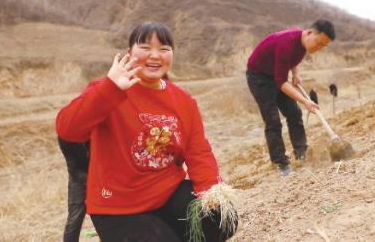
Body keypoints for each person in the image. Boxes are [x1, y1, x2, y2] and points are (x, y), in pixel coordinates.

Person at [56, 21, 238, 241]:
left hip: (167, 192)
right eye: (145, 48)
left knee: (221, 218)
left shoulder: (183, 101)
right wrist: (110, 88)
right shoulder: (106, 90)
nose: (155, 56)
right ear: (129, 53)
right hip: (118, 207)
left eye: (164, 49)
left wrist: (210, 191)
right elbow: (68, 129)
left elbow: (198, 151)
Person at [245, 19, 336, 176]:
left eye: (323, 46)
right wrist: (305, 101)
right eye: (318, 42)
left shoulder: (302, 44)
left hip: (275, 75)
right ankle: (281, 164)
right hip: (259, 77)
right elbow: (281, 82)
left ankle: (302, 154)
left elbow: (290, 60)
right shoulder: (286, 42)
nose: (318, 48)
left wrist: (295, 73)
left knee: (294, 113)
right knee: (273, 120)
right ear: (309, 33)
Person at [58, 137, 90, 242]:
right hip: (80, 179)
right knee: (74, 221)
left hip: (98, 177)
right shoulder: (65, 133)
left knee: (105, 220)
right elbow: (74, 166)